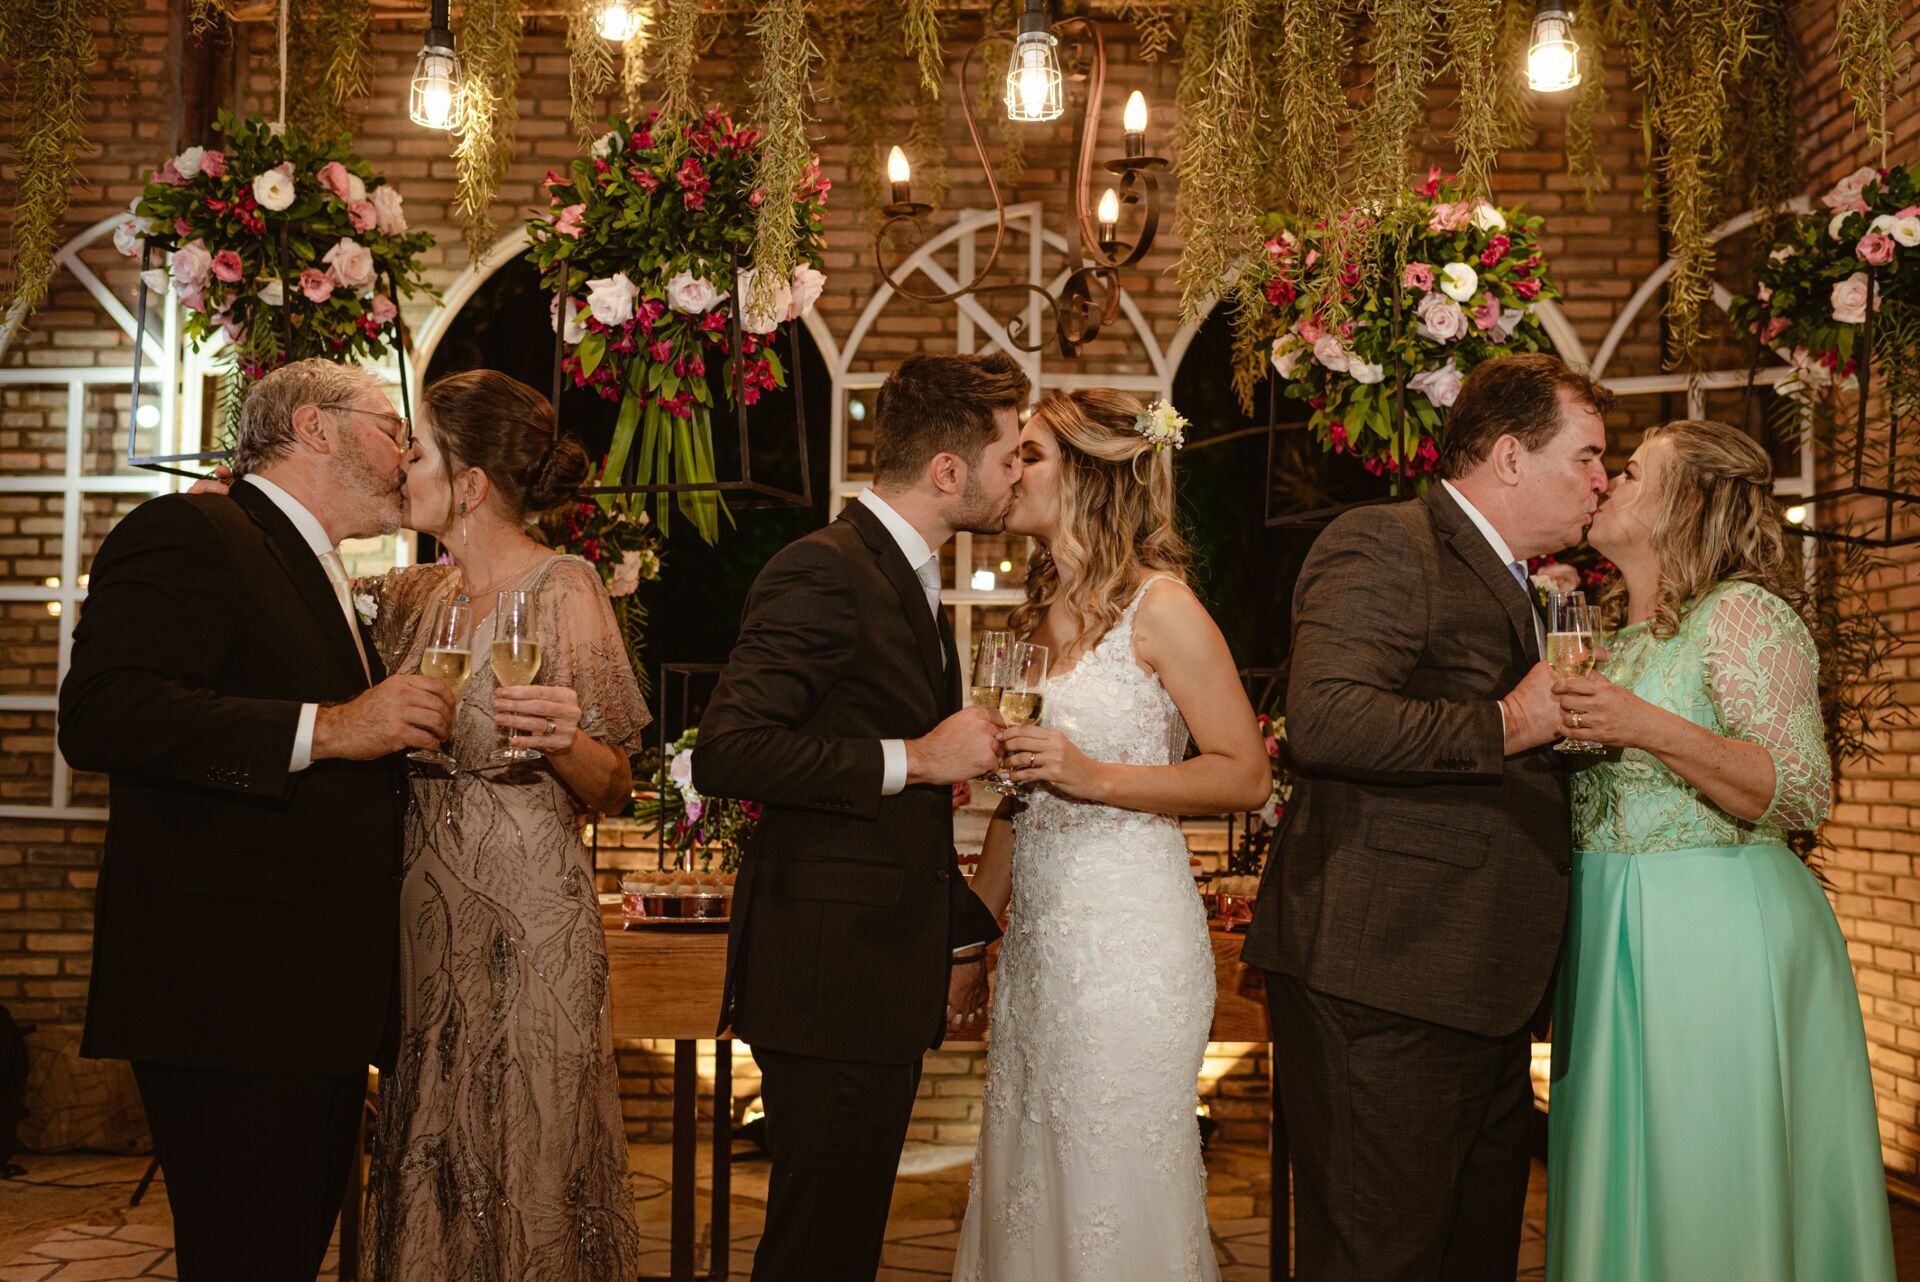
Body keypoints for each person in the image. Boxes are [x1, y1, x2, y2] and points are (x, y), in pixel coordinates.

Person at [58, 359, 455, 1282]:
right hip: (226, 996)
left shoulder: (317, 570)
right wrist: (335, 726)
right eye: (392, 426)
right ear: (316, 429)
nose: (405, 452)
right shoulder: (190, 531)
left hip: (304, 1003)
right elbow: (105, 715)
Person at [1241, 352, 1612, 1280]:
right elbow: (1326, 718)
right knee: (1380, 1256)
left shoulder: (1530, 585)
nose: (1603, 481)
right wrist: (1509, 721)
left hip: (1477, 982)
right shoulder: (1387, 542)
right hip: (1385, 976)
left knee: (1470, 1254)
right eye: (1590, 457)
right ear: (1511, 457)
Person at [692, 353, 1027, 1282]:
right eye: (1009, 459)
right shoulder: (825, 569)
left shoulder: (903, 575)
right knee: (816, 1244)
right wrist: (917, 759)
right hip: (827, 973)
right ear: (948, 471)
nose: (1017, 480)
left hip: (870, 969)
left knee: (838, 1238)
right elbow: (727, 750)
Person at [1547, 419, 1895, 1280]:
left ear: (1690, 500)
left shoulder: (1741, 615)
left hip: (1718, 933)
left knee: (1711, 1169)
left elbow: (1802, 788)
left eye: (1628, 472)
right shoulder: (1610, 643)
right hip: (1610, 930)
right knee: (1623, 1161)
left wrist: (1646, 727)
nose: (1605, 485)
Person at [951, 390, 1270, 1282]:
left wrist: (1094, 777)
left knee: (1111, 1172)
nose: (1010, 473)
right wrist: (975, 931)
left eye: (1031, 456)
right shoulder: (1034, 616)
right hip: (1043, 945)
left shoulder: (1162, 609)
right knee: (1031, 1165)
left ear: (1091, 478)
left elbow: (1245, 771)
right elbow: (1024, 796)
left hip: (1129, 936)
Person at [353, 370, 649, 1281]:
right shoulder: (413, 598)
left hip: (530, 914)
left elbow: (617, 785)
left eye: (420, 451)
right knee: (428, 1133)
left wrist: (564, 743)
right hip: (424, 921)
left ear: (471, 483)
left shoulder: (565, 589)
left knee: (528, 1135)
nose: (403, 466)